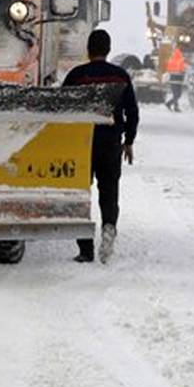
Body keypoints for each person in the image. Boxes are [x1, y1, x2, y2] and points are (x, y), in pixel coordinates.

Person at [62, 29, 139, 264]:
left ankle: (85, 249)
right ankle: (108, 228)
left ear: (88, 49)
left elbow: (61, 107)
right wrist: (129, 141)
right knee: (109, 191)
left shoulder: (76, 75)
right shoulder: (120, 76)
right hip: (110, 143)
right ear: (108, 50)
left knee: (80, 193)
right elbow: (132, 112)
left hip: (81, 144)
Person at [165, 44, 187, 112]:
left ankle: (173, 106)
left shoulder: (172, 59)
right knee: (178, 94)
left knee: (175, 94)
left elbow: (168, 68)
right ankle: (171, 104)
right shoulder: (181, 60)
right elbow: (183, 70)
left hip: (172, 79)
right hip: (178, 79)